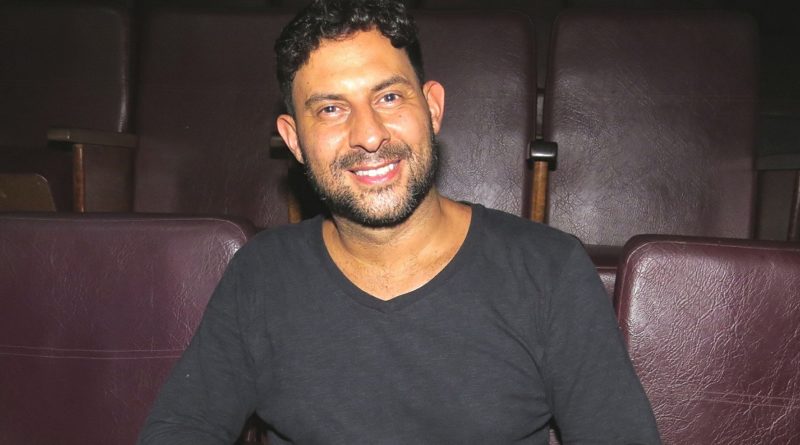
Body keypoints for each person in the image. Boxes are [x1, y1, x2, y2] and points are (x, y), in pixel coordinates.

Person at [138, 0, 661, 443]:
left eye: (388, 97)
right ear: (294, 140)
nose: (369, 135)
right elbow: (183, 427)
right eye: (330, 109)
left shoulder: (548, 270)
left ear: (432, 108)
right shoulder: (262, 275)